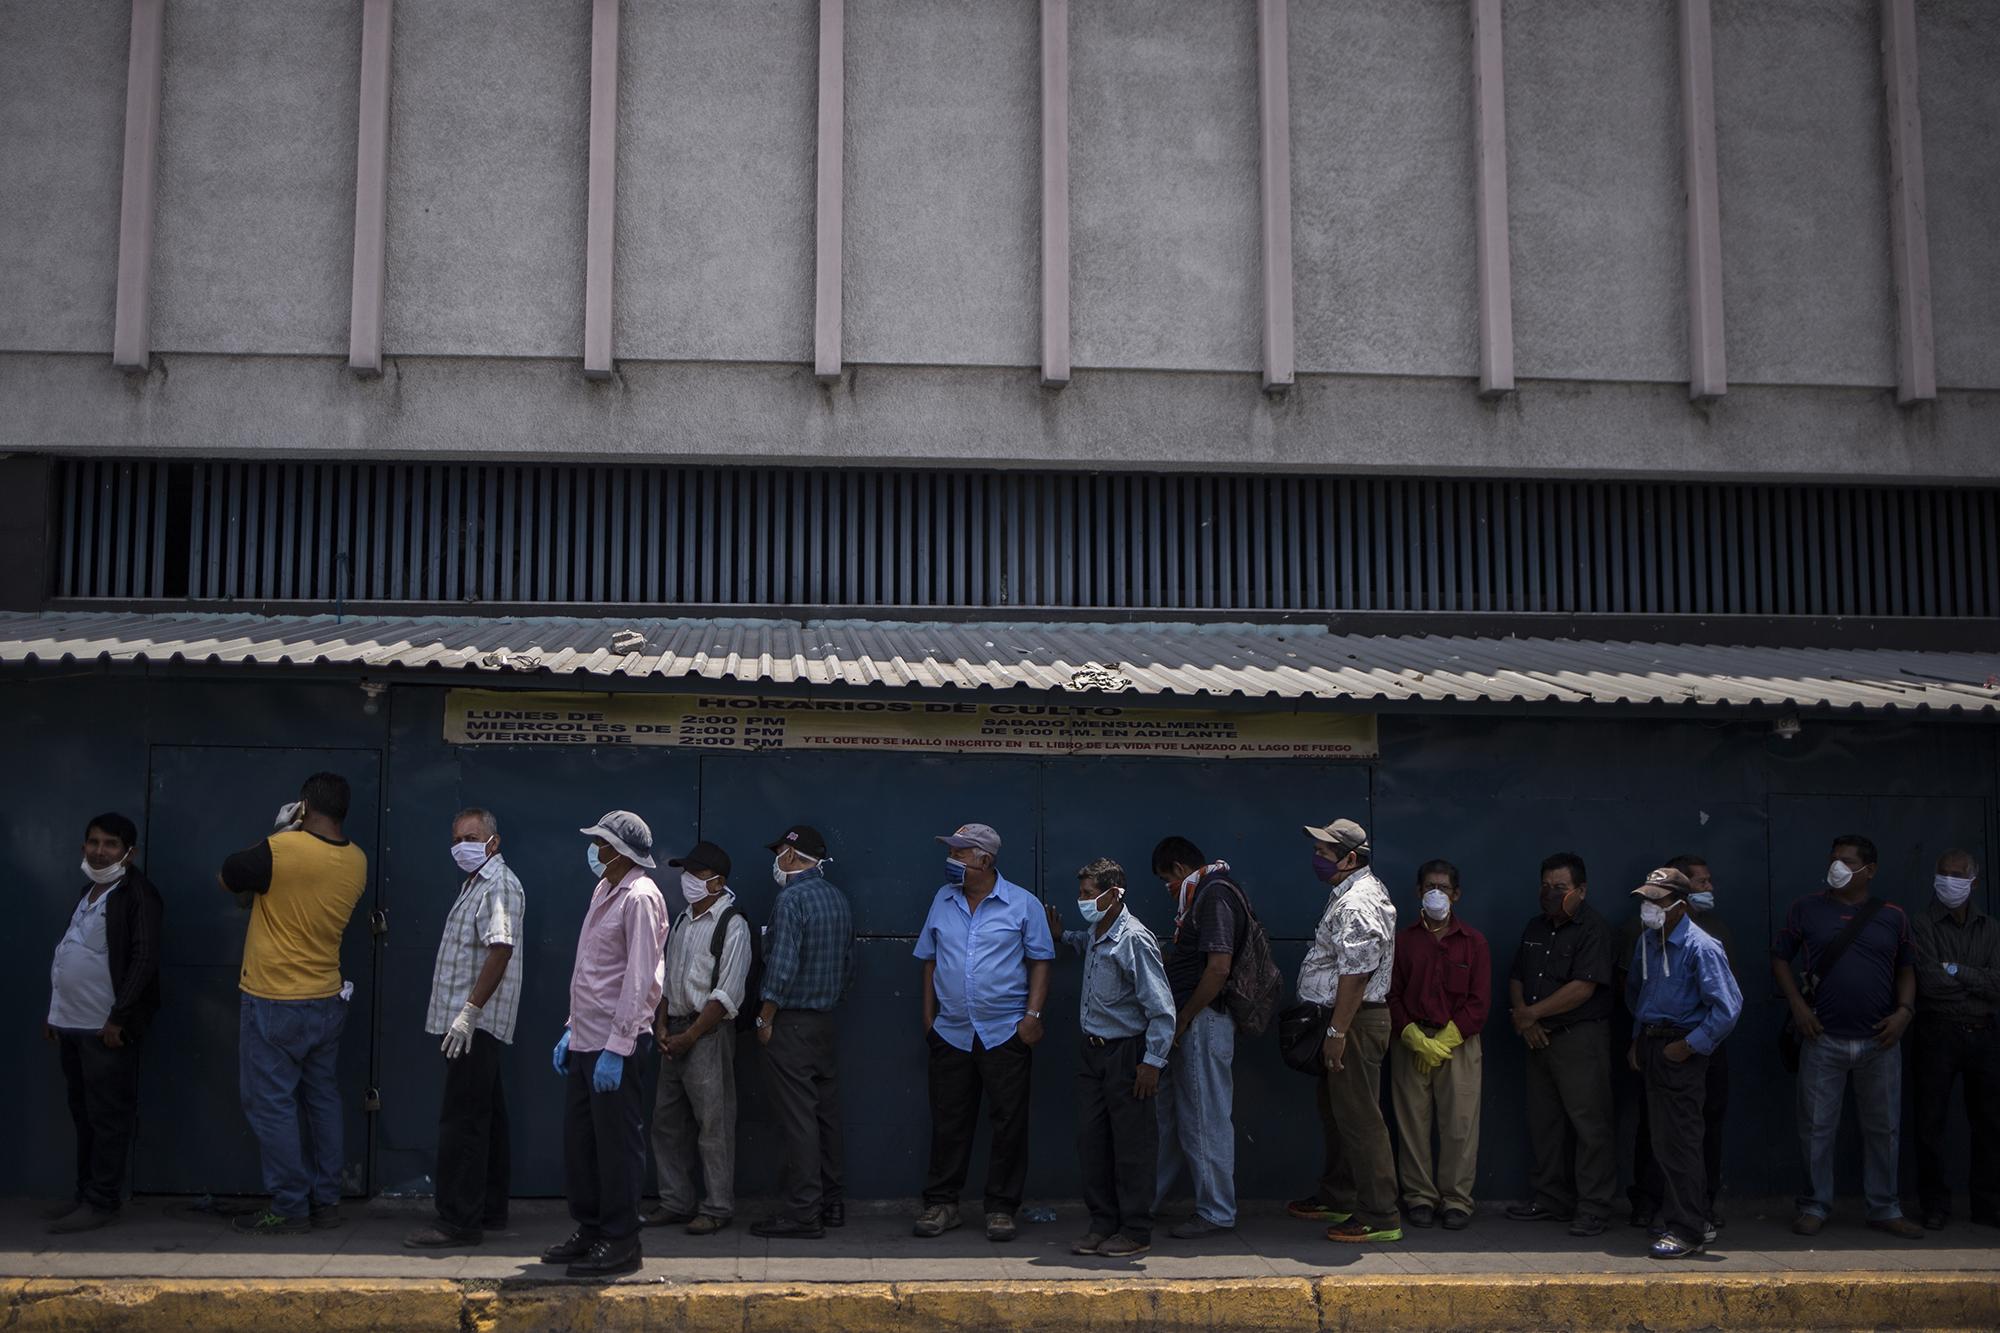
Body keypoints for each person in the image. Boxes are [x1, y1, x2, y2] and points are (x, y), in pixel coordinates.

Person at [219, 774, 369, 1237]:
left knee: (271, 1104)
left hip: (274, 999)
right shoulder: (358, 861)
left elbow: (229, 875)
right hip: (325, 999)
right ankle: (326, 1201)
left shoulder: (280, 850)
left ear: (303, 807)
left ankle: (289, 1206)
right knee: (322, 1099)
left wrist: (281, 834)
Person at [1771, 833, 1922, 1239]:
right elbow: (1780, 958)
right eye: (1833, 858)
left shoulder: (1893, 915)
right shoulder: (1805, 909)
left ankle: (1884, 1207)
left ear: (1869, 870)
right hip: (1823, 1038)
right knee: (1817, 1127)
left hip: (1881, 1041)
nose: (1836, 866)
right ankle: (1815, 1205)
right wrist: (1799, 1008)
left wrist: (1904, 1013)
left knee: (1884, 1128)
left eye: (1847, 860)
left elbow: (1907, 968)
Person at [913, 822, 1054, 1242]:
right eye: (952, 852)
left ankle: (1001, 1208)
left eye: (959, 853)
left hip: (1004, 1033)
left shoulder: (1023, 905)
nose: (951, 860)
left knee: (1009, 1123)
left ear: (985, 860)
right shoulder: (943, 900)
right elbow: (930, 961)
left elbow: (1041, 961)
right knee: (948, 1121)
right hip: (951, 1033)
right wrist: (928, 1020)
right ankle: (942, 1205)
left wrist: (1032, 1017)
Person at [541, 811, 668, 1278]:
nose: (594, 850)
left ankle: (621, 1241)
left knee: (616, 1146)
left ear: (617, 851)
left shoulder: (640, 897)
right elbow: (592, 970)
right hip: (586, 1040)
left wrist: (618, 1046)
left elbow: (640, 979)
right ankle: (591, 1228)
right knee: (583, 1144)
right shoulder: (605, 889)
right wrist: (573, 1027)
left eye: (600, 842)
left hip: (618, 1044)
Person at [404, 808, 524, 1250]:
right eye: (456, 837)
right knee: (486, 1117)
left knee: (463, 1122)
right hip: (467, 1024)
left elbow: (501, 948)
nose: (461, 845)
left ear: (493, 841)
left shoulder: (498, 884)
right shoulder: (477, 883)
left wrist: (470, 1011)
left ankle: (457, 1222)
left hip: (474, 1026)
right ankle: (488, 1209)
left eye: (470, 837)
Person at [1043, 858, 1174, 1258]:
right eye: (1080, 893)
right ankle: (1103, 1223)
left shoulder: (1134, 939)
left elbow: (1161, 1008)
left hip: (1126, 1054)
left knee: (1132, 1146)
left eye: (1088, 894)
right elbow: (1088, 945)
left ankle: (1135, 1229)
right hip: (1093, 1053)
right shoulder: (1098, 931)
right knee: (1093, 1141)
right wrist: (1065, 936)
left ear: (1114, 894)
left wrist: (1151, 1062)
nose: (1082, 900)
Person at [44, 812, 162, 1235]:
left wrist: (120, 1017)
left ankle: (102, 1202)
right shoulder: (88, 892)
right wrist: (55, 1013)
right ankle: (84, 1194)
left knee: (108, 1115)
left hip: (105, 1030)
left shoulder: (137, 896)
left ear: (129, 853)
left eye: (111, 844)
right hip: (72, 1025)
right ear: (83, 847)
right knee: (83, 1113)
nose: (100, 850)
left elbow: (145, 960)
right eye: (93, 842)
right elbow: (69, 954)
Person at [1285, 818, 1402, 1244]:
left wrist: (1337, 1031)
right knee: (1337, 1114)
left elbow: (1357, 973)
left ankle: (1380, 1214)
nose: (1317, 859)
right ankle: (1340, 1194)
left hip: (1353, 1020)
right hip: (1341, 1019)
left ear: (1350, 859)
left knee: (1360, 1118)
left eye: (1325, 853)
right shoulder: (1350, 894)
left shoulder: (1358, 903)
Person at [1624, 867, 1743, 1259]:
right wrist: (1637, 1041)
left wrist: (1689, 1046)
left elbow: (1727, 1008)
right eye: (1646, 900)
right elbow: (1641, 996)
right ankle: (1691, 1219)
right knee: (1663, 1140)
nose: (1649, 907)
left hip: (1680, 1051)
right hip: (1653, 1045)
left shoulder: (1701, 946)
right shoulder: (1648, 942)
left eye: (1657, 901)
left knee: (1681, 1142)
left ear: (1679, 905)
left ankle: (1687, 1228)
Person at [750, 823, 855, 1240]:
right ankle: (831, 1203)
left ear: (792, 857)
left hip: (791, 1023)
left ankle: (803, 1213)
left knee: (798, 1120)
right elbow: (849, 966)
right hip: (824, 1022)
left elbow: (781, 966)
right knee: (825, 1116)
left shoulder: (791, 900)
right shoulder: (838, 899)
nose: (775, 862)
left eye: (778, 853)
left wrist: (765, 1016)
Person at [1504, 851, 1617, 1237]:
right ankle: (1551, 1198)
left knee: (1589, 1125)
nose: (1551, 893)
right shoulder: (1535, 927)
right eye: (1546, 886)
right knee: (1545, 1122)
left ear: (1581, 890)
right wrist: (1524, 1016)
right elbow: (1518, 975)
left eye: (1560, 887)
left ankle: (1594, 1206)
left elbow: (1583, 988)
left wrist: (1532, 1015)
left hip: (1579, 1039)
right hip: (1538, 1039)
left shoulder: (1593, 929)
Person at [644, 839, 751, 1237]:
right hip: (674, 1032)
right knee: (666, 1122)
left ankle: (717, 1206)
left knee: (714, 1125)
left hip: (707, 1035)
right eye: (685, 872)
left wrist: (689, 1035)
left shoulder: (732, 924)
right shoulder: (683, 920)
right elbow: (667, 979)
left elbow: (726, 994)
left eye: (696, 874)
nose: (686, 879)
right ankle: (675, 1201)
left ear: (717, 881)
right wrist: (661, 1026)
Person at [1386, 858, 1489, 1232]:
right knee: (1412, 1122)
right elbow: (1391, 994)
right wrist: (1413, 1036)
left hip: (1458, 1044)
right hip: (1411, 1041)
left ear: (1456, 895)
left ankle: (1457, 1200)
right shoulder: (1403, 941)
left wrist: (1443, 1042)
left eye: (1443, 888)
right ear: (1418, 892)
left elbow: (1478, 1003)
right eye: (1430, 886)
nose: (1436, 893)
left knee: (1459, 1125)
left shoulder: (1474, 942)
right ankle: (1419, 1197)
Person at [1151, 835, 1244, 1239]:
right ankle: (1150, 1200)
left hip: (1204, 1021)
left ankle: (1217, 1211)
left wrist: (1186, 1017)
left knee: (1204, 1118)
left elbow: (1218, 968)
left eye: (1164, 879)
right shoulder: (1205, 893)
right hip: (1193, 1022)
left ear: (1178, 869)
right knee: (1176, 1117)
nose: (1167, 889)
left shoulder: (1214, 895)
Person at [1908, 848, 1998, 1231]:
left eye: (1957, 875)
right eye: (1943, 873)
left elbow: (1998, 986)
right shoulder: (1922, 924)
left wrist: (1955, 970)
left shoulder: (1991, 929)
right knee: (1930, 1124)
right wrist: (1974, 980)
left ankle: (1988, 1204)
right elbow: (1929, 982)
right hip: (1936, 1033)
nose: (1949, 881)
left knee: (1990, 1124)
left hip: (1984, 1034)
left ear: (1973, 882)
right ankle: (1935, 1204)